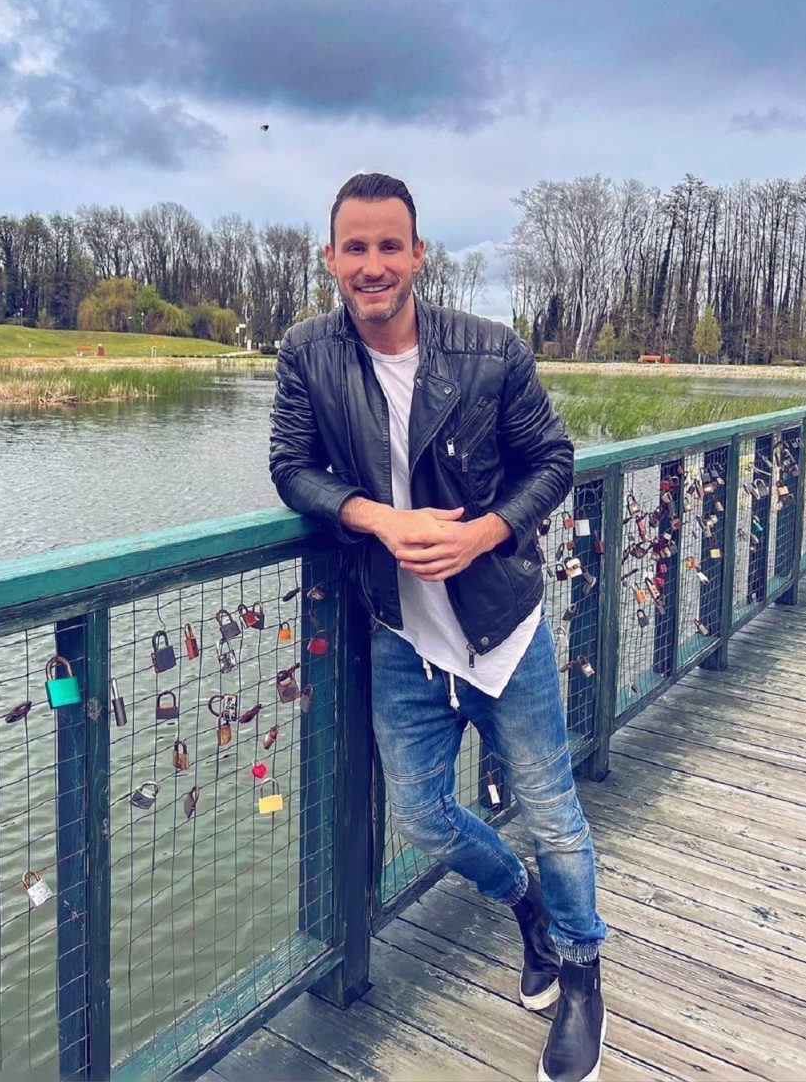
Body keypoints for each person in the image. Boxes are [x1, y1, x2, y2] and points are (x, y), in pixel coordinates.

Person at [269, 172, 607, 1082]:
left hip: (501, 623)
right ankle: (525, 904)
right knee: (420, 815)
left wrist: (484, 533)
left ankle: (581, 971)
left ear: (418, 255)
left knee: (553, 813)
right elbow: (290, 467)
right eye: (355, 247)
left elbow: (552, 459)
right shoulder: (306, 352)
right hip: (398, 631)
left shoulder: (491, 350)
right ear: (330, 257)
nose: (371, 265)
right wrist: (375, 518)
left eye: (390, 246)